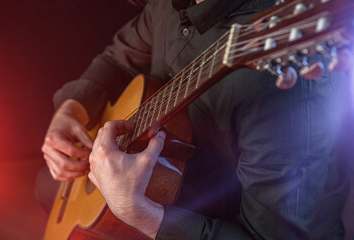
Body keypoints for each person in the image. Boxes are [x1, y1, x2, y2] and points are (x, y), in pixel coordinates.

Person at [40, 0, 353, 239]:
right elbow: (118, 56)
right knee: (48, 186)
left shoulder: (287, 94)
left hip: (217, 220)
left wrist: (139, 211)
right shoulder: (174, 4)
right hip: (183, 177)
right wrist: (72, 108)